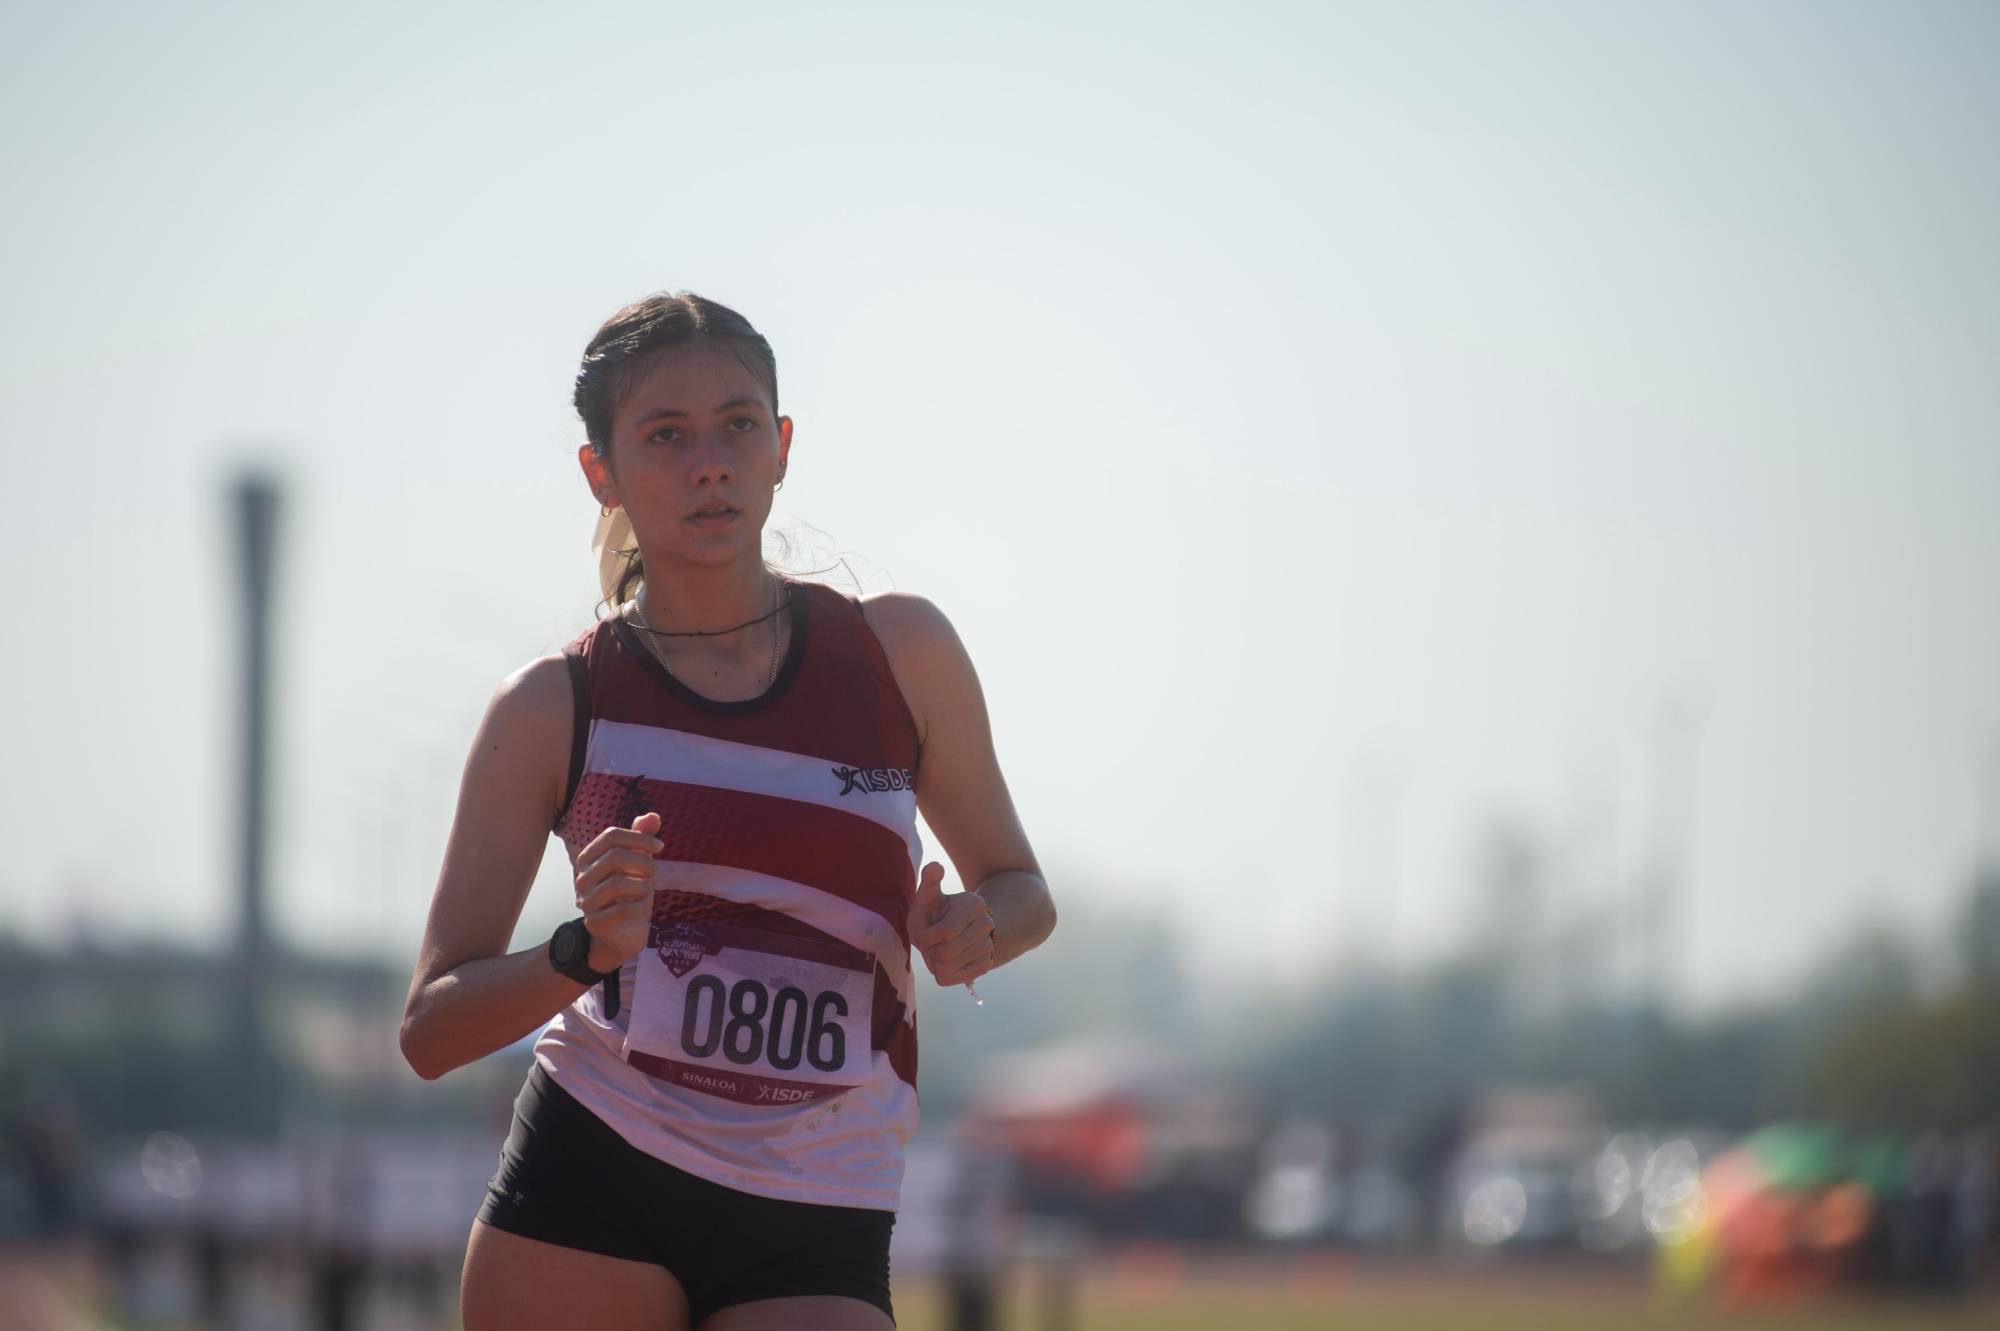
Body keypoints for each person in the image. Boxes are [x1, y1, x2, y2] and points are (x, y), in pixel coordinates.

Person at [398, 291, 1057, 1330]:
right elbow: (431, 1031)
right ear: (601, 472)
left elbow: (1025, 894)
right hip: (590, 1181)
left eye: (738, 425)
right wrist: (580, 951)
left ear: (782, 447)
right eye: (665, 435)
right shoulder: (553, 704)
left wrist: (979, 926)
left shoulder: (898, 653)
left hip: (818, 1196)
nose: (709, 462)